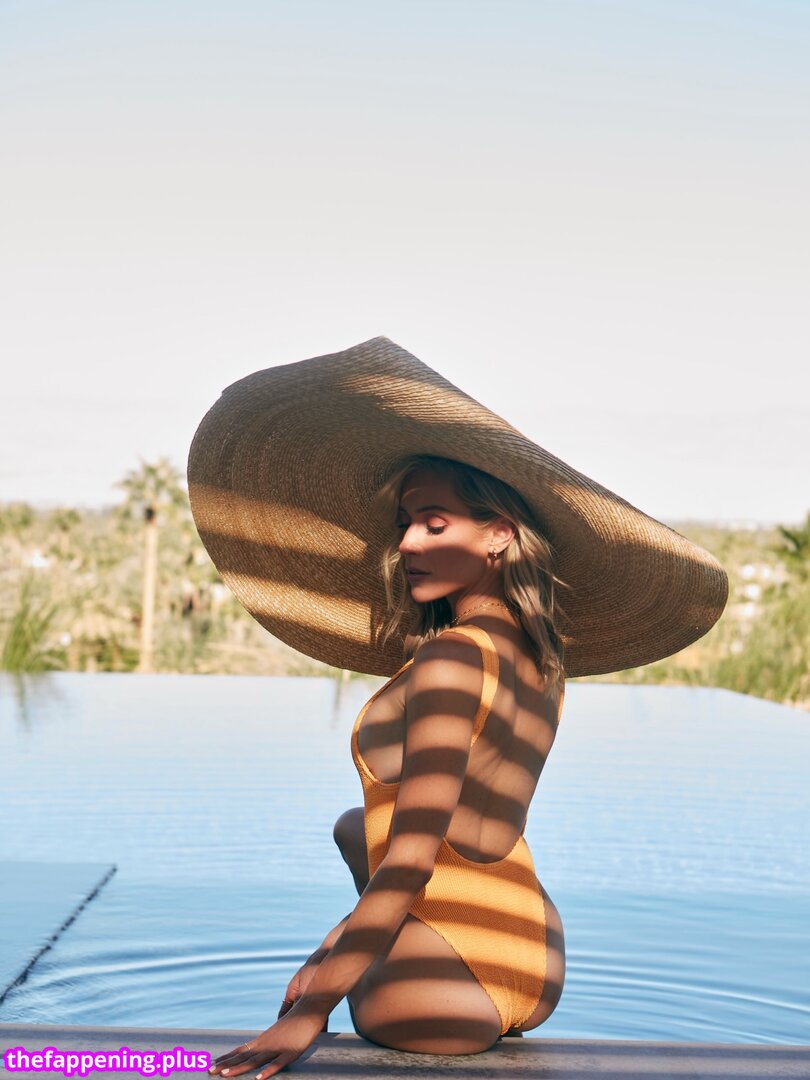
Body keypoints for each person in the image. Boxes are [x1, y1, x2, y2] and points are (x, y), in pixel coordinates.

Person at [188, 337, 727, 1078]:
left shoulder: (451, 659)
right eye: (405, 522)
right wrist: (328, 950)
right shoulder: (540, 664)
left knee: (381, 843)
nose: (408, 542)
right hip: (530, 955)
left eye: (434, 522)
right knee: (354, 826)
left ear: (499, 534)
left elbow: (413, 860)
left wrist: (311, 1011)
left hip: (438, 989)